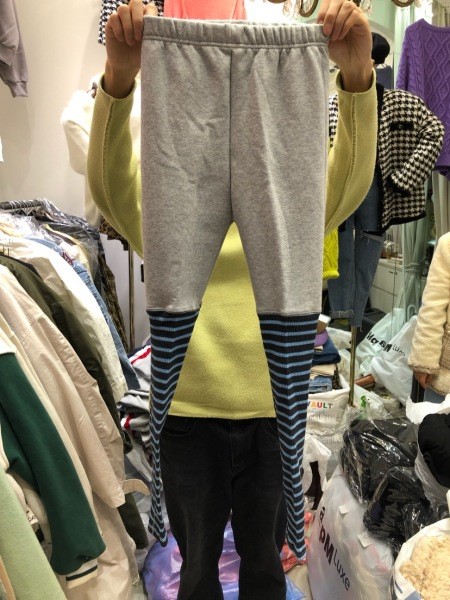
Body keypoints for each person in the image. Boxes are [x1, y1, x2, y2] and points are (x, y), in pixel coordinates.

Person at [87, 1, 376, 598]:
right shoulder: (171, 217)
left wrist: (356, 80)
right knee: (196, 572)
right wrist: (119, 79)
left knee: (266, 568)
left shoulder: (290, 217)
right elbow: (111, 190)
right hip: (188, 416)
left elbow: (347, 184)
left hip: (271, 415)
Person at [409, 232, 450, 404]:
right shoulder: (448, 243)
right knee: (435, 419)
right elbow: (433, 306)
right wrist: (424, 360)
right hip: (446, 376)